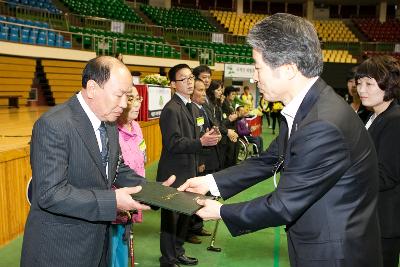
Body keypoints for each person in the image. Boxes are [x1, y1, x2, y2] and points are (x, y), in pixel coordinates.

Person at [179, 13, 382, 267]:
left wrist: (219, 211)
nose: (254, 77)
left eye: (257, 67)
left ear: (287, 69)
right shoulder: (308, 106)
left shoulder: (322, 123)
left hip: (335, 254)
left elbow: (283, 204)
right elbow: (269, 160)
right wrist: (210, 182)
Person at [21, 56, 175, 267]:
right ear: (92, 88)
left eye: (128, 97)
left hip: (98, 244)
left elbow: (117, 169)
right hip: (60, 250)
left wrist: (155, 192)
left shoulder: (109, 122)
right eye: (119, 95)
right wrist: (112, 201)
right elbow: (50, 193)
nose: (124, 104)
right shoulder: (54, 124)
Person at [157, 64, 220, 267]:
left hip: (190, 170)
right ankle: (167, 258)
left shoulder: (191, 107)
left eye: (191, 77)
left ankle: (178, 251)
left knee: (184, 216)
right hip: (173, 173)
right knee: (171, 219)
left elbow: (195, 138)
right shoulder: (170, 109)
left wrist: (206, 139)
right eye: (184, 79)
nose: (190, 81)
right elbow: (173, 143)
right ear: (174, 84)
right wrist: (201, 142)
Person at [355, 55, 400, 267]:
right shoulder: (373, 116)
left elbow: (386, 176)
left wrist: (342, 176)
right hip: (370, 218)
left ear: (388, 85)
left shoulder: (395, 120)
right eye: (359, 83)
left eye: (369, 84)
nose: (361, 90)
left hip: (384, 222)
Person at [109, 87, 145, 267]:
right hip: (116, 199)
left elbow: (141, 159)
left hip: (134, 193)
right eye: (131, 99)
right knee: (111, 247)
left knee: (124, 243)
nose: (137, 103)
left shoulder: (137, 126)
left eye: (138, 99)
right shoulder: (111, 130)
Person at [221, 86, 240, 168]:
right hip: (227, 134)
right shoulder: (223, 105)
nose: (234, 96)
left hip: (233, 132)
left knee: (233, 156)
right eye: (232, 94)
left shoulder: (231, 104)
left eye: (235, 94)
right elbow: (224, 121)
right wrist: (231, 119)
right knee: (229, 158)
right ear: (227, 95)